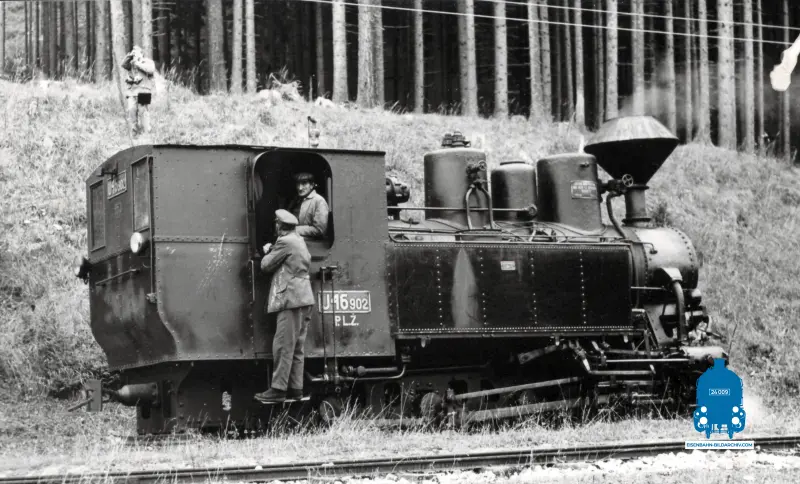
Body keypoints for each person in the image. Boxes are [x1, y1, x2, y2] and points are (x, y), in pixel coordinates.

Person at [254, 209, 316, 404]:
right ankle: (296, 389)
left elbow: (266, 265)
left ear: (279, 226)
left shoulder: (285, 242)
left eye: (276, 223)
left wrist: (268, 250)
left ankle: (278, 389)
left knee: (283, 345)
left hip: (291, 299)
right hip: (304, 298)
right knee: (297, 347)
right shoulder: (298, 239)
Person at [121, 45, 156, 137]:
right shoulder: (131, 63)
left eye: (136, 52)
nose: (135, 54)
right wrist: (129, 56)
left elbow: (151, 70)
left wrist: (138, 64)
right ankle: (134, 132)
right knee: (131, 110)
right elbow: (123, 64)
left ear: (141, 53)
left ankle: (147, 132)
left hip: (144, 90)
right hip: (132, 91)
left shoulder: (148, 61)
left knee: (143, 111)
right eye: (134, 52)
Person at [287, 172, 330, 240]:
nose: (300, 188)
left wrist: (293, 230)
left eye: (304, 183)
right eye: (298, 184)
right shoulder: (296, 200)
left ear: (311, 185)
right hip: (295, 239)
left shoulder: (319, 201)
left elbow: (319, 230)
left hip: (312, 243)